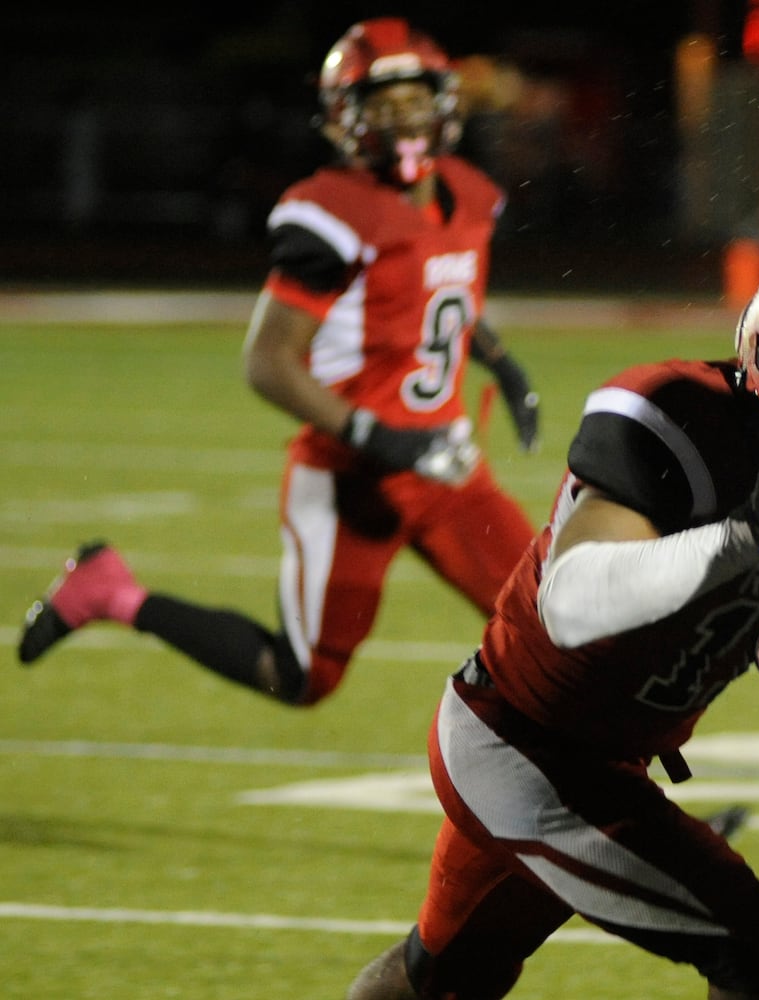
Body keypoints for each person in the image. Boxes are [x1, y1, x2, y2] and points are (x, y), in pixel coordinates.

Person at [343, 234, 759, 1000]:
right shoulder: (682, 418)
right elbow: (574, 599)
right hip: (522, 745)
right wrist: (746, 538)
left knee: (442, 977)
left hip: (599, 751)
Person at [16, 18, 541, 706]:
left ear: (443, 101)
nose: (401, 117)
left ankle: (613, 812)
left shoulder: (467, 193)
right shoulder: (335, 213)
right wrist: (379, 437)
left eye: (413, 98)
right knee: (301, 677)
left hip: (447, 470)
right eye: (381, 103)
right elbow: (267, 362)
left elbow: (439, 297)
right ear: (344, 117)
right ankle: (111, 592)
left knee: (557, 625)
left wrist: (501, 364)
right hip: (350, 478)